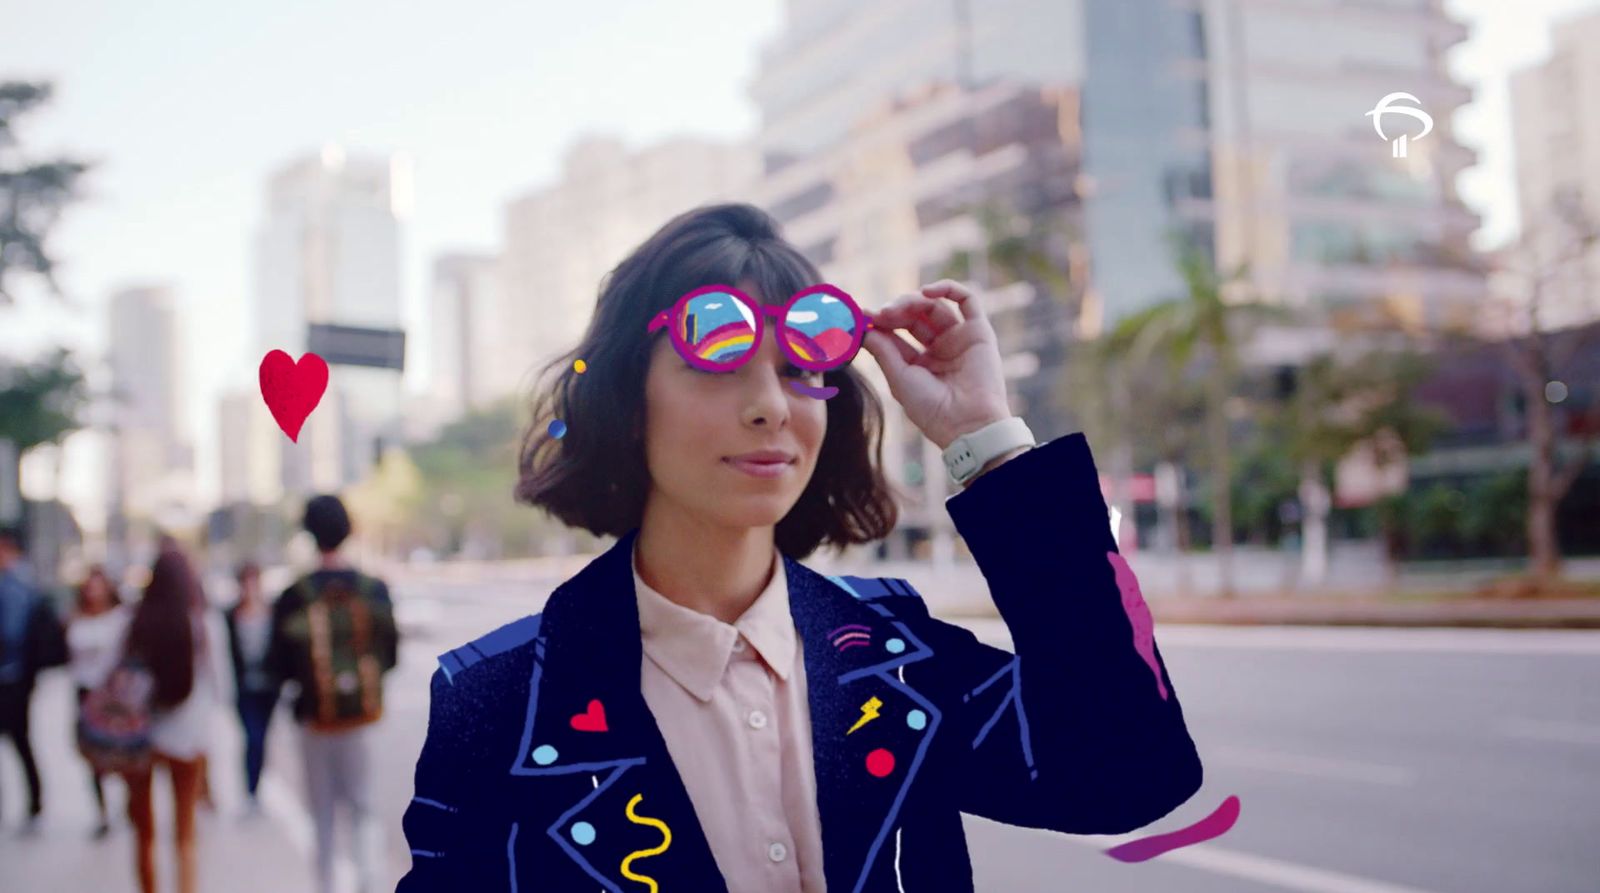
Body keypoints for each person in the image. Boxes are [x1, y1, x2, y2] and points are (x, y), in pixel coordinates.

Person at [397, 203, 1204, 892]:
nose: (769, 407)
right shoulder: (497, 703)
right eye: (717, 361)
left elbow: (1130, 771)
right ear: (627, 399)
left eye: (796, 369)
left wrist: (984, 439)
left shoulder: (895, 657)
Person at [267, 494, 399, 893]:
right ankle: (369, 882)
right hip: (361, 715)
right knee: (362, 804)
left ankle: (326, 885)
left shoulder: (293, 595)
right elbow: (390, 653)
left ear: (309, 534)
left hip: (313, 717)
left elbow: (278, 665)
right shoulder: (372, 589)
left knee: (321, 811)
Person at [118, 544, 231, 893]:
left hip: (141, 737)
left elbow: (118, 681)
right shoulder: (205, 625)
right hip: (188, 737)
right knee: (185, 831)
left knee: (144, 832)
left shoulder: (134, 623)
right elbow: (221, 687)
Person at [0, 523, 66, 835]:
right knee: (21, 743)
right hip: (15, 677)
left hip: (13, 679)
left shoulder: (16, 584)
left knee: (21, 742)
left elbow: (12, 634)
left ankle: (34, 805)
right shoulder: (23, 582)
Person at [66, 564, 131, 839]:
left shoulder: (120, 618)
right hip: (84, 691)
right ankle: (102, 811)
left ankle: (129, 803)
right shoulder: (76, 618)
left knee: (119, 751)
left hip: (112, 694)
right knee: (92, 754)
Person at [224, 561, 279, 816]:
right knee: (251, 738)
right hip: (243, 689)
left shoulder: (272, 612)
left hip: (267, 689)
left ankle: (256, 789)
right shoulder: (230, 615)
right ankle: (250, 791)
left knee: (262, 740)